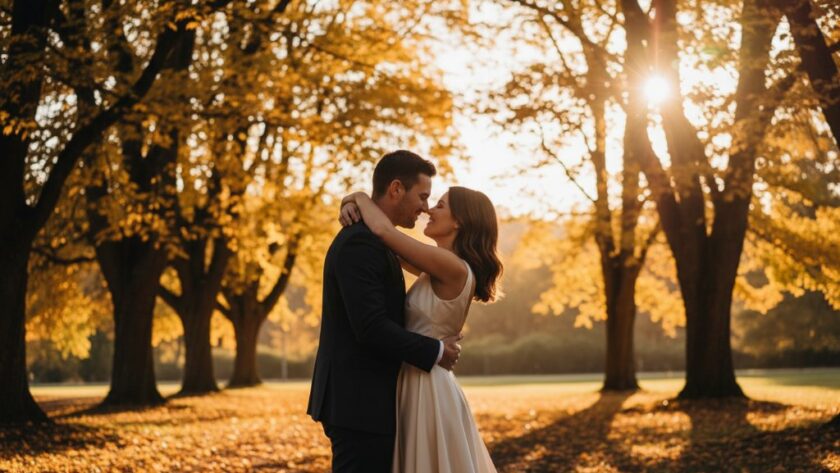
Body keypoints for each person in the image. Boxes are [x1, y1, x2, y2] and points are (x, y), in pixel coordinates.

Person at [307, 150, 463, 472]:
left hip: (373, 401)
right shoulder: (361, 243)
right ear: (395, 189)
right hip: (359, 402)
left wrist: (358, 199)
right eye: (422, 196)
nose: (424, 207)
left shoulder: (381, 242)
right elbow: (371, 326)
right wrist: (435, 350)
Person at [338, 173, 503, 472]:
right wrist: (348, 203)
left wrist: (360, 197)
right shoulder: (436, 266)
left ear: (459, 222)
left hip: (426, 385)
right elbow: (384, 241)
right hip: (417, 377)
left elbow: (384, 232)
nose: (429, 210)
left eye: (439, 205)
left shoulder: (451, 267)